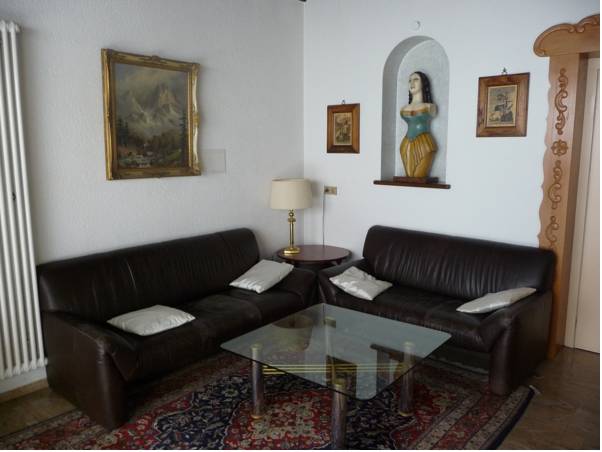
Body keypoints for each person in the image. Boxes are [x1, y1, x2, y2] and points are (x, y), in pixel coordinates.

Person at [399, 72, 437, 178]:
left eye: (416, 79)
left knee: (418, 176)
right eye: (410, 80)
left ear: (423, 83)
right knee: (410, 177)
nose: (412, 83)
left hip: (425, 143)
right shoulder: (403, 108)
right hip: (406, 143)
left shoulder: (429, 106)